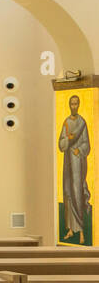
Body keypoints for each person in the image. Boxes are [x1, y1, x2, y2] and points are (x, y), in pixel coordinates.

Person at [58, 94, 91, 243]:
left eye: (76, 104)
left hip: (77, 162)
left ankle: (82, 230)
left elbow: (87, 145)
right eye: (71, 104)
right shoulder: (66, 122)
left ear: (79, 105)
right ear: (69, 105)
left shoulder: (82, 123)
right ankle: (71, 229)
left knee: (77, 192)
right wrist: (68, 139)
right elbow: (61, 144)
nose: (74, 106)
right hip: (67, 163)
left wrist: (80, 151)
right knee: (68, 192)